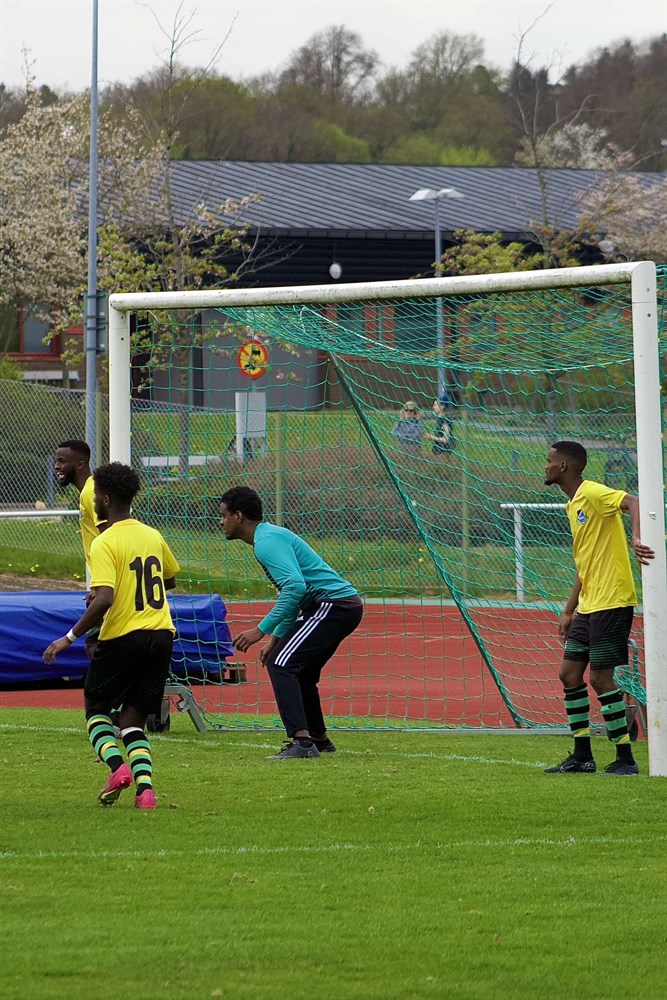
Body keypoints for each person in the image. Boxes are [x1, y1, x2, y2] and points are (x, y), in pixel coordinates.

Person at [43, 462, 179, 808]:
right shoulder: (152, 535)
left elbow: (104, 598)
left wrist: (68, 637)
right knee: (133, 719)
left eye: (96, 498)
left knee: (96, 708)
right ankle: (146, 792)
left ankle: (118, 769)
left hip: (124, 636)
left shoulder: (104, 541)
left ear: (104, 499)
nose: (93, 502)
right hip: (161, 636)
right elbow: (170, 579)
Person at [219, 485, 363, 760]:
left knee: (280, 664)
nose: (221, 521)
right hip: (340, 606)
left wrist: (260, 630)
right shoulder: (268, 536)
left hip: (333, 606)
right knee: (301, 670)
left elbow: (295, 587)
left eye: (224, 515)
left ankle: (302, 742)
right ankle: (319, 740)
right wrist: (276, 639)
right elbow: (294, 596)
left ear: (238, 516)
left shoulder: (266, 542)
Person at [542, 440, 654, 776]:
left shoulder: (591, 492)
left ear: (563, 466)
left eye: (549, 460)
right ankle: (582, 757)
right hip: (590, 604)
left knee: (601, 679)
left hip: (613, 600)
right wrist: (568, 610)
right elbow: (585, 563)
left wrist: (636, 537)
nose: (545, 466)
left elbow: (632, 501)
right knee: (569, 674)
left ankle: (626, 759)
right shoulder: (573, 504)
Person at [54, 440, 107, 658]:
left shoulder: (90, 492)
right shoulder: (88, 490)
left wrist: (100, 585)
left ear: (80, 465)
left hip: (108, 583)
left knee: (96, 647)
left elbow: (110, 536)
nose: (56, 466)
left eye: (62, 461)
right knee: (96, 645)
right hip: (105, 580)